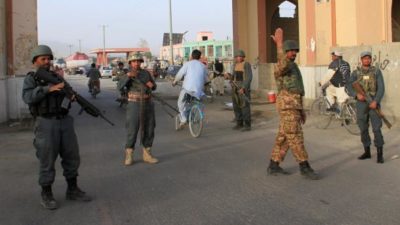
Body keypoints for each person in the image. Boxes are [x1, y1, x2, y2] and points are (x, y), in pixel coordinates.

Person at [22, 45, 91, 210]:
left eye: (48, 58)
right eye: (43, 59)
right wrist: (48, 89)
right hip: (46, 123)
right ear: (35, 61)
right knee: (47, 159)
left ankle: (72, 189)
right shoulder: (32, 78)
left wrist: (70, 94)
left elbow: (68, 92)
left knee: (72, 156)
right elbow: (27, 97)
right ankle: (46, 194)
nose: (47, 61)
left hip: (64, 120)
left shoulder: (56, 76)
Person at [267, 28, 319, 180]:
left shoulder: (294, 67)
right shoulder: (282, 66)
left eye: (295, 51)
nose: (293, 53)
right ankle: (304, 166)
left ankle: (273, 165)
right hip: (287, 106)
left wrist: (301, 110)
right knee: (295, 136)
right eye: (290, 51)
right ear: (285, 52)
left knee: (284, 137)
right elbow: (282, 64)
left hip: (294, 106)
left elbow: (298, 90)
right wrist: (279, 45)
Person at [118, 52, 158, 166]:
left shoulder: (146, 73)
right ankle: (129, 154)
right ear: (130, 63)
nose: (136, 63)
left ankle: (147, 154)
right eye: (134, 61)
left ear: (141, 62)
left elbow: (154, 87)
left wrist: (151, 85)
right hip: (134, 104)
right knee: (133, 128)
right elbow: (119, 87)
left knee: (150, 128)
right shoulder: (127, 74)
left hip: (148, 103)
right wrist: (128, 77)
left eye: (138, 61)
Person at [347, 51, 385, 163]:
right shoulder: (355, 73)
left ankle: (379, 154)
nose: (367, 60)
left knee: (376, 128)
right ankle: (367, 151)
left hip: (373, 102)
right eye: (364, 58)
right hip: (361, 104)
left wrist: (376, 101)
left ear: (371, 60)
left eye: (368, 58)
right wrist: (356, 95)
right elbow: (349, 85)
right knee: (363, 128)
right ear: (361, 60)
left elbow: (381, 88)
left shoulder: (376, 71)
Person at [172, 50, 209, 128]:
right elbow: (206, 79)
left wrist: (175, 81)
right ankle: (191, 114)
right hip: (198, 91)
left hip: (187, 89)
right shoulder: (203, 66)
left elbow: (179, 75)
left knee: (180, 103)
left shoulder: (187, 64)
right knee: (193, 102)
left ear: (191, 56)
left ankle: (183, 119)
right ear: (200, 57)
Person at [225, 49, 253, 131]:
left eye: (240, 56)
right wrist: (229, 76)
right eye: (237, 57)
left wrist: (244, 88)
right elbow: (233, 77)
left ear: (243, 57)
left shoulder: (246, 64)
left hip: (242, 88)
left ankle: (247, 125)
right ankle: (239, 123)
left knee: (245, 107)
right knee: (236, 106)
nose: (238, 58)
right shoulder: (235, 65)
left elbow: (248, 77)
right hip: (235, 88)